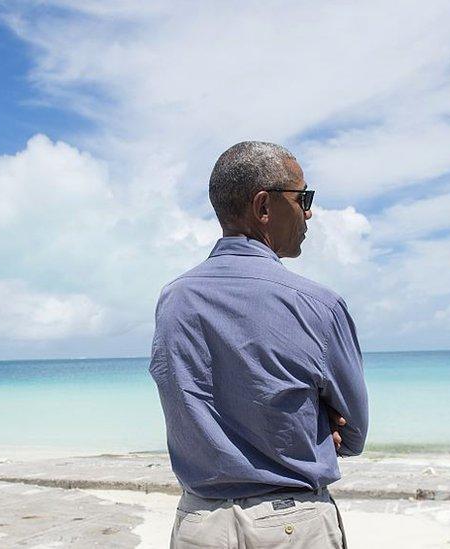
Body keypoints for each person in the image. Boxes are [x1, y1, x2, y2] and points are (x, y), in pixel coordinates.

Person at [148, 141, 369, 548]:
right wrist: (317, 427)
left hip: (199, 524)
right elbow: (353, 433)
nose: (309, 212)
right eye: (303, 197)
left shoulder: (173, 300)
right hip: (291, 526)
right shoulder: (318, 305)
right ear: (264, 207)